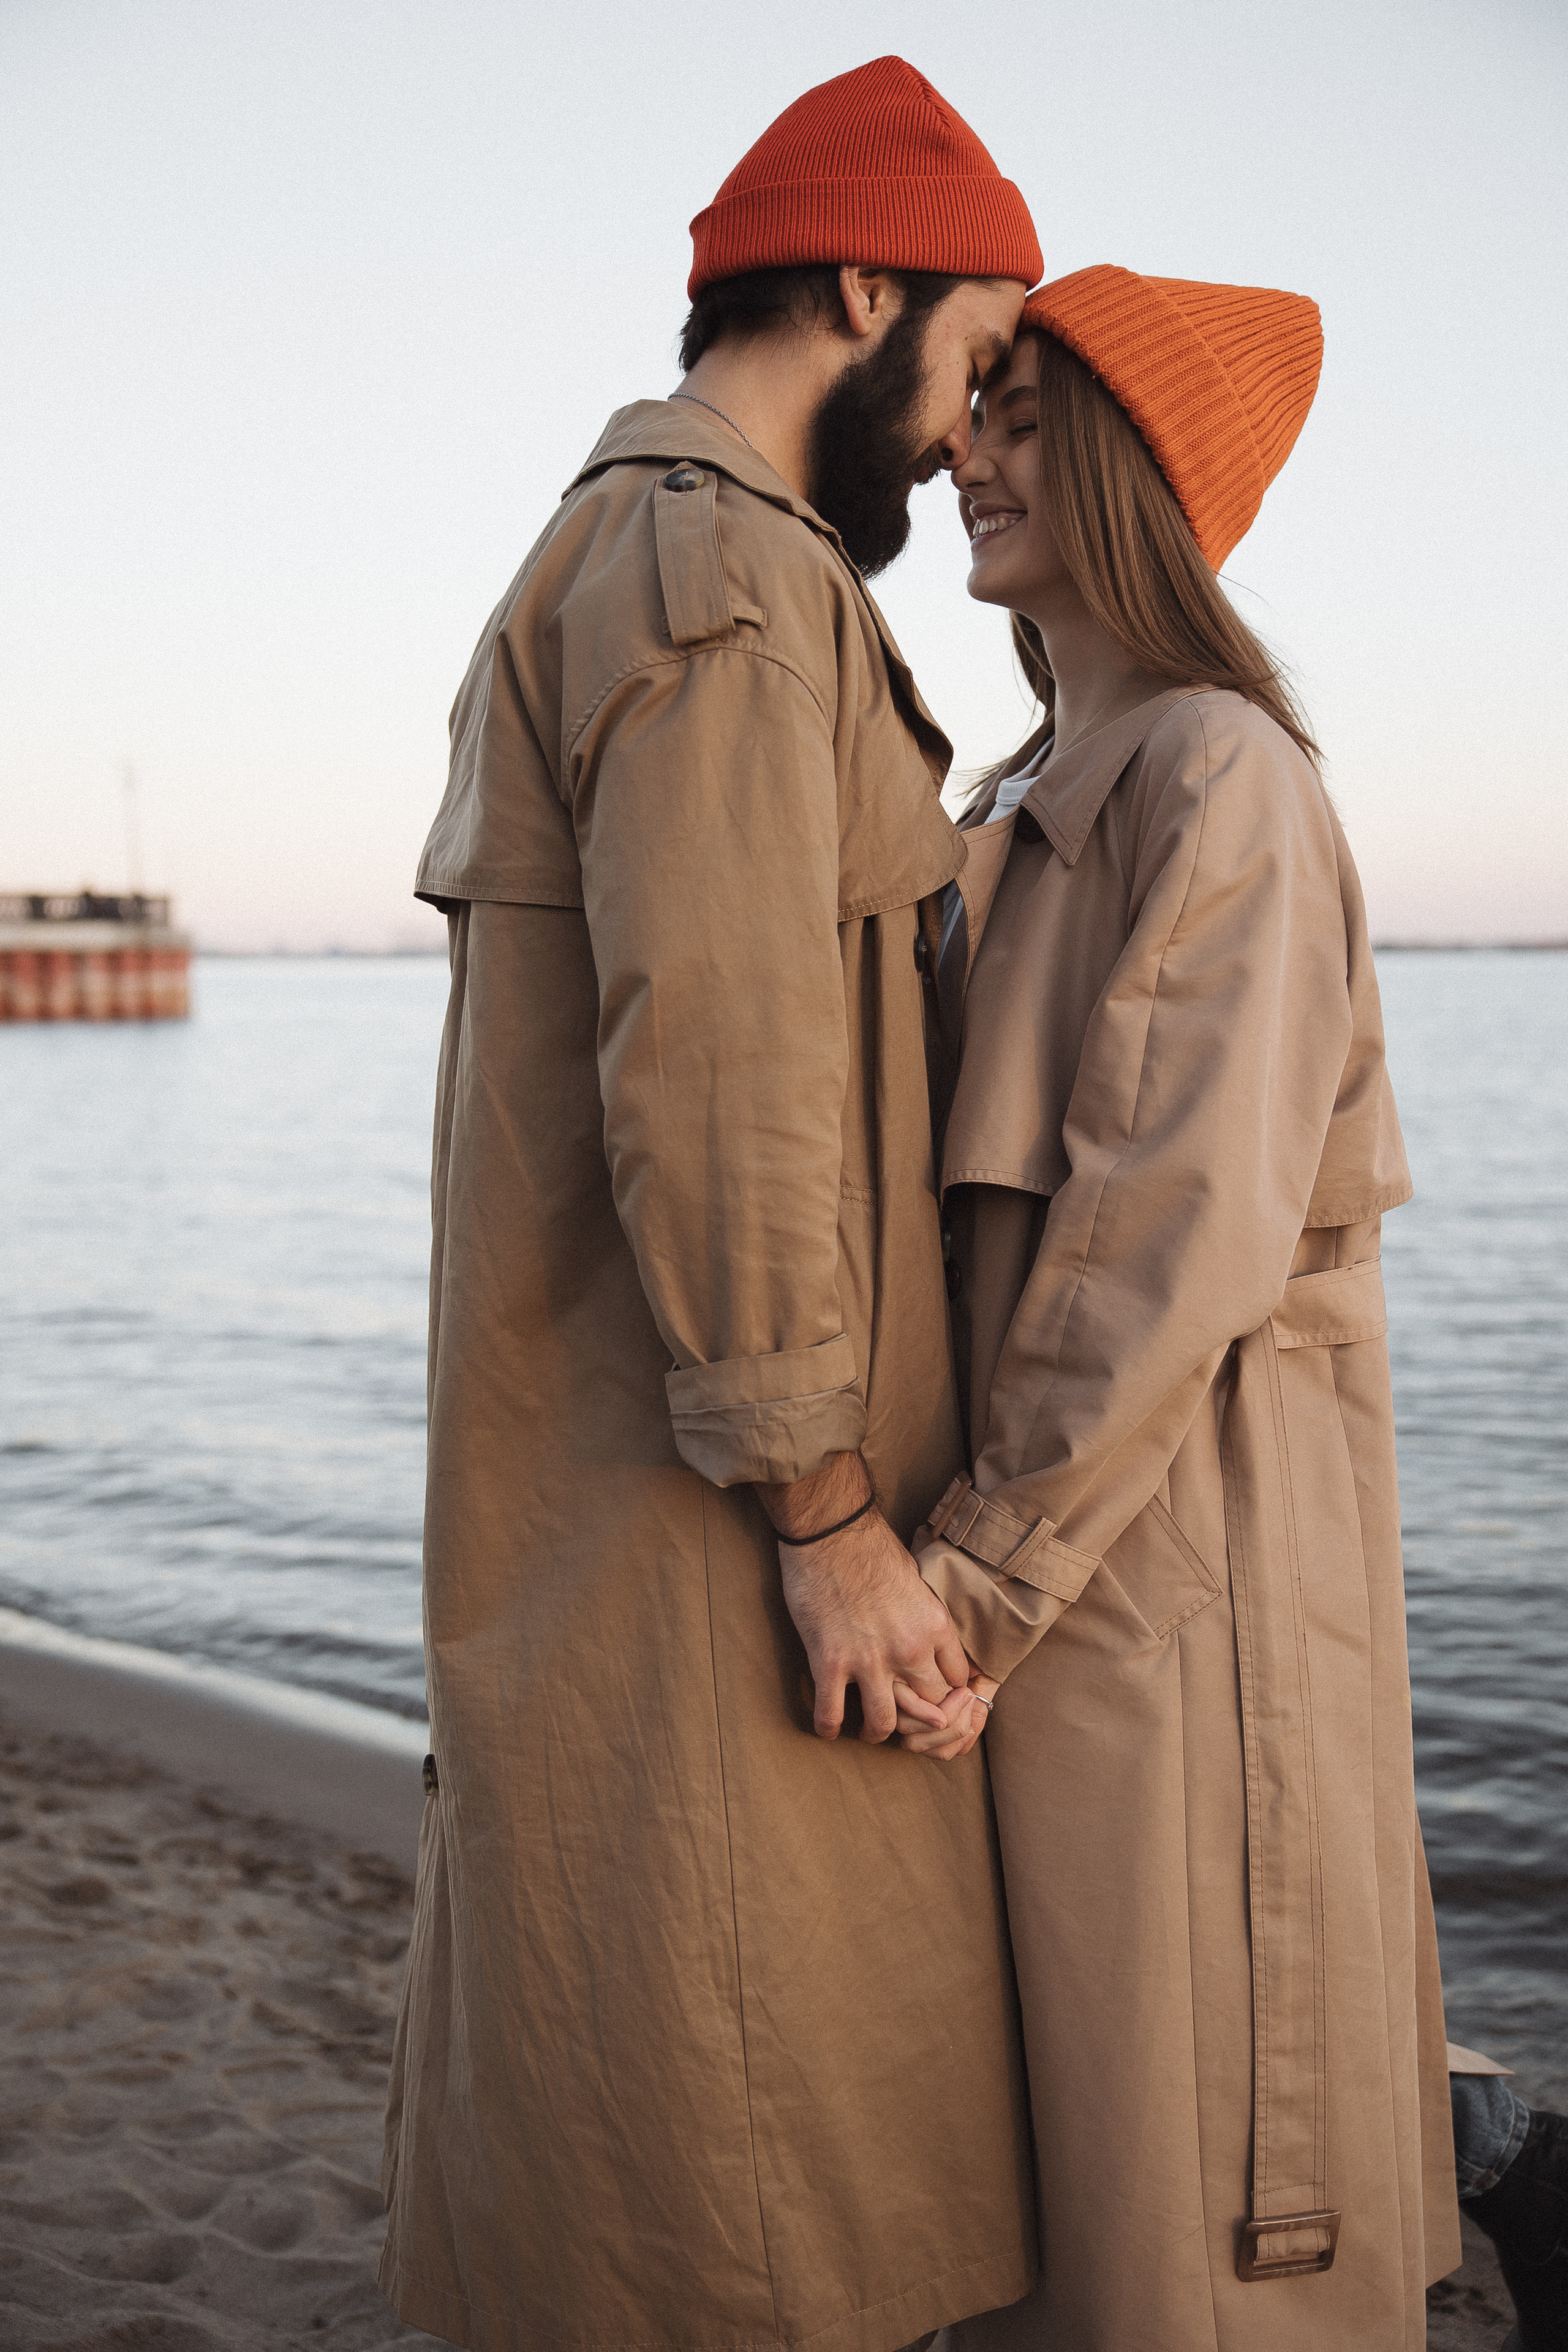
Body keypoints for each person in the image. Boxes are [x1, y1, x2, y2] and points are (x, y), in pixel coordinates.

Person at [378, 57, 1044, 2352]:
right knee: (745, 2208)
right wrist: (825, 1507)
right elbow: (730, 1065)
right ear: (855, 285)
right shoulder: (729, 579)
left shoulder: (610, 547)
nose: (969, 434)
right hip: (704, 1535)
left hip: (600, 1499)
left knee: (640, 2153)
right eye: (965, 362)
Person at [895, 268, 1462, 2348]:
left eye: (1029, 418)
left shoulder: (1218, 775)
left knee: (1209, 2226)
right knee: (1056, 2213)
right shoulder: (1002, 807)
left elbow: (1168, 1246)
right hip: (1054, 1601)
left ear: (1144, 470)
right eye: (980, 409)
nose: (969, 449)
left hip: (1173, 1607)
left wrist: (960, 1589)